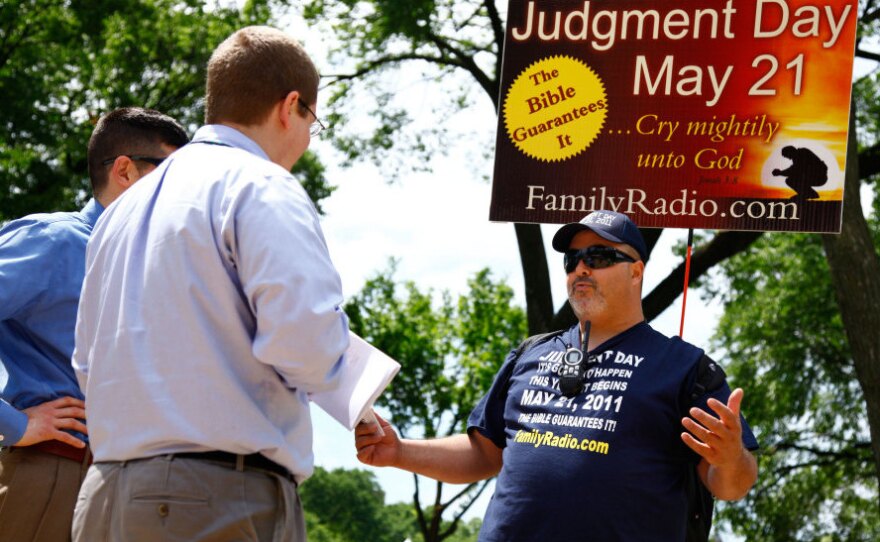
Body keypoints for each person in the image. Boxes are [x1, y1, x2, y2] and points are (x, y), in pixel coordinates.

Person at [71, 26, 349, 542]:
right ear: (292, 107)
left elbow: (87, 365)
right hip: (214, 495)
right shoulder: (262, 185)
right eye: (315, 119)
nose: (309, 138)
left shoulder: (119, 211)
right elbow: (306, 345)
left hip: (104, 496)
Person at [356, 209, 759, 541]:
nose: (581, 268)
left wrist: (730, 457)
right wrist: (399, 450)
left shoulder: (685, 368)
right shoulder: (529, 354)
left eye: (599, 257)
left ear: (636, 272)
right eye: (573, 260)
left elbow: (732, 484)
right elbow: (484, 453)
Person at [0, 107, 188, 542]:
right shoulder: (54, 242)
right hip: (54, 477)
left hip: (136, 493)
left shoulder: (160, 271)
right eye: (170, 179)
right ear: (124, 170)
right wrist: (15, 424)